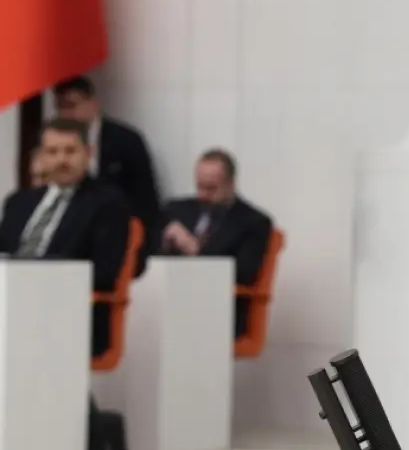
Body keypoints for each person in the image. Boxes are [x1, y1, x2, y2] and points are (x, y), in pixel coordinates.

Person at [0, 118, 132, 358]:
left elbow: (104, 273)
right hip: (12, 302)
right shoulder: (18, 203)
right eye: (52, 152)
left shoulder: (107, 202)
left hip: (68, 310)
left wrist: (37, 280)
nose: (61, 160)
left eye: (70, 151)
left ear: (88, 153)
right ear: (42, 156)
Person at [53, 76, 163, 272]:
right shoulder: (53, 143)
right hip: (70, 237)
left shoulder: (125, 141)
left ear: (93, 103)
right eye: (60, 107)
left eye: (72, 105)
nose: (66, 114)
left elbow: (146, 199)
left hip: (118, 234)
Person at [160, 148, 273, 338]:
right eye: (200, 186)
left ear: (231, 184)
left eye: (212, 188)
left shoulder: (253, 222)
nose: (203, 195)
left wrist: (196, 250)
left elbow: (243, 274)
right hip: (169, 301)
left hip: (221, 310)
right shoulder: (175, 210)